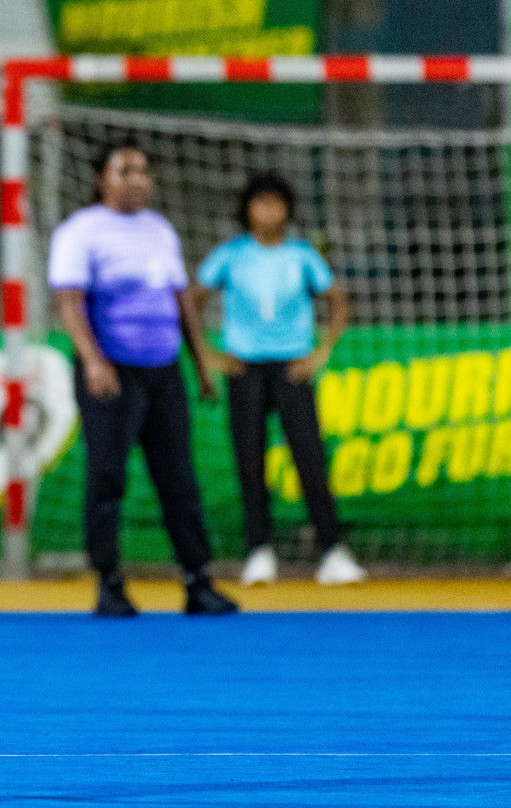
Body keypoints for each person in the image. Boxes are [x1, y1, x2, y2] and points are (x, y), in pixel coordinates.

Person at [48, 141, 238, 619]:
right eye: (126, 170)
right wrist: (93, 361)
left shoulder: (160, 230)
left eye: (144, 172)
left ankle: (198, 581)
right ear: (101, 179)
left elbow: (182, 305)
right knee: (108, 477)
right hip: (112, 373)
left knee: (179, 479)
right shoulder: (80, 232)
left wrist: (201, 365)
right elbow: (70, 302)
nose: (138, 180)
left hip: (165, 372)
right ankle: (109, 582)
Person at [192, 172, 366, 587]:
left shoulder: (303, 256)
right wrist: (206, 354)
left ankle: (333, 552)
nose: (268, 210)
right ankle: (259, 552)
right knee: (250, 461)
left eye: (276, 202)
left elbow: (337, 302)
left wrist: (321, 352)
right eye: (260, 202)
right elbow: (190, 300)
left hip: (292, 368)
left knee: (310, 458)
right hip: (245, 369)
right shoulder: (230, 255)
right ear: (247, 210)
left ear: (287, 209)